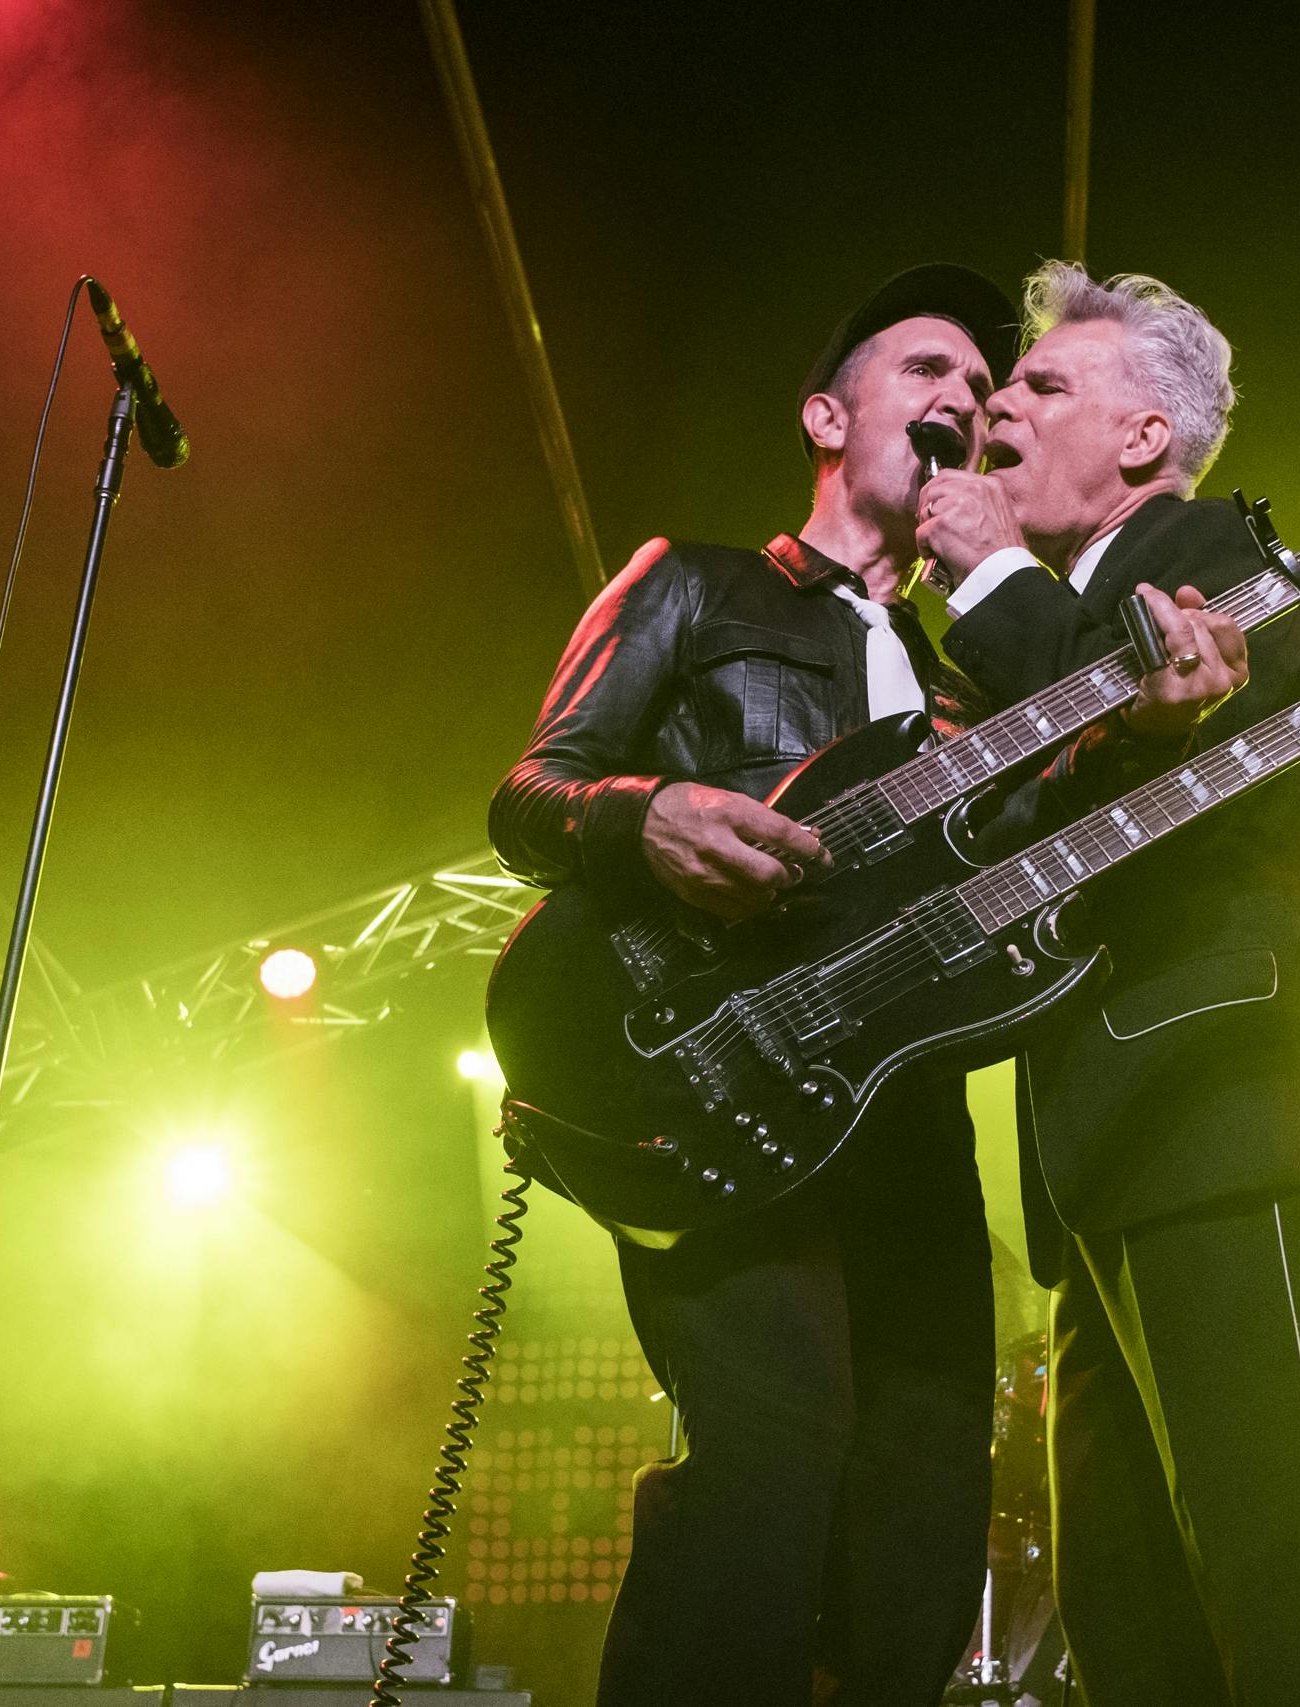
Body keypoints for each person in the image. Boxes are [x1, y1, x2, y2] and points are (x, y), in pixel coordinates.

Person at [489, 265, 1014, 1707]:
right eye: (927, 369)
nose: (966, 399)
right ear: (827, 417)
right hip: (720, 1077)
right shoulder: (695, 582)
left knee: (924, 1491)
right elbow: (529, 790)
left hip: (905, 1111)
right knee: (775, 1454)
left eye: (984, 387)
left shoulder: (972, 678)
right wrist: (643, 813)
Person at [914, 262, 1300, 1705]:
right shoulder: (1031, 613)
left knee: (1286, 1577)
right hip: (1100, 1164)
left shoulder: (1212, 551)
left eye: (1043, 385)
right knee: (1133, 1618)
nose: (997, 406)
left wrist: (992, 576)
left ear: (1145, 435)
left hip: (1223, 1125)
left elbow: (1127, 719)